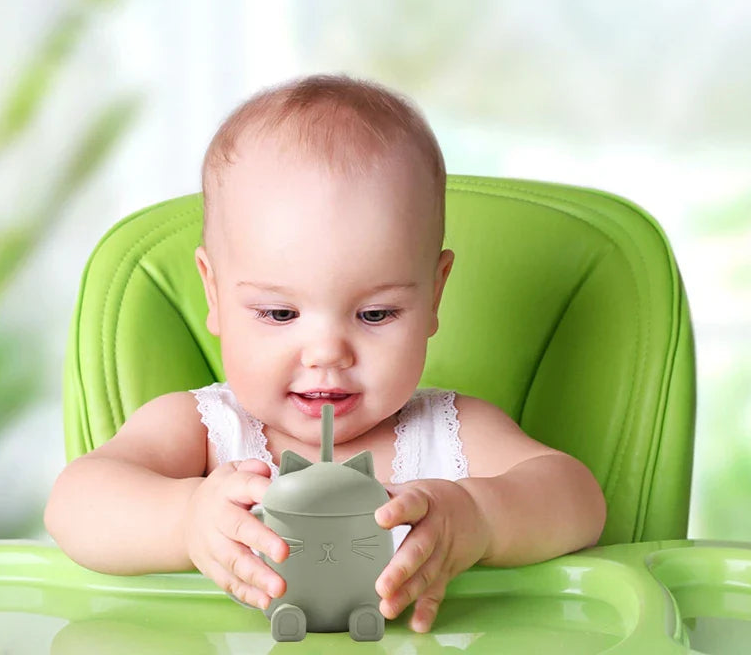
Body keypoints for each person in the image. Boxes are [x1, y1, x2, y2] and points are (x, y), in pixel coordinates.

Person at [45, 74, 606, 634]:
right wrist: (186, 520)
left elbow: (578, 500)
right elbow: (74, 505)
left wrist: (479, 517)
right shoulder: (204, 432)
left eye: (375, 315)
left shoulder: (451, 433)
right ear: (213, 294)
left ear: (434, 295)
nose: (327, 354)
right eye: (280, 314)